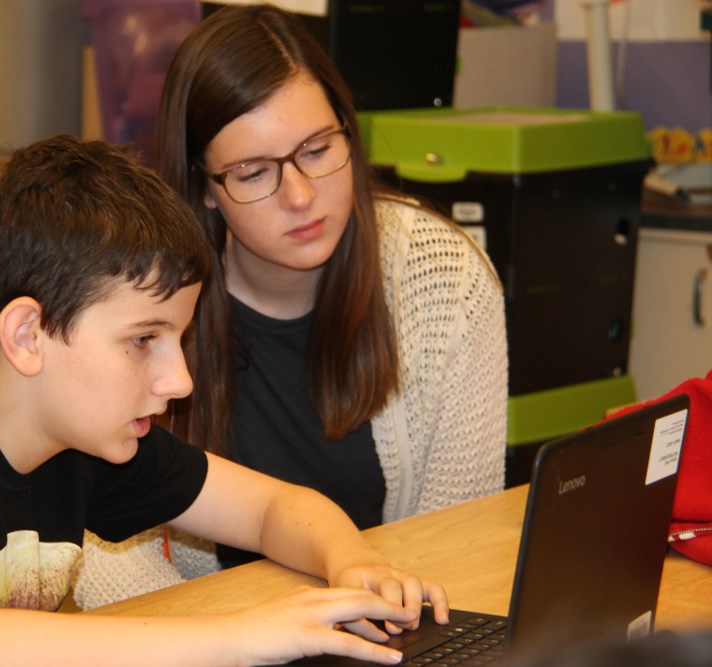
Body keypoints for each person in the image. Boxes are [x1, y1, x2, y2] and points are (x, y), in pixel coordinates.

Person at [0, 134, 449, 667]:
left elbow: (270, 508)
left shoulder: (82, 438)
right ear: (28, 333)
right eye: (144, 341)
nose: (179, 379)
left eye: (179, 340)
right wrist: (243, 634)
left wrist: (352, 562)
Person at [75, 3, 508, 608]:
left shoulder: (444, 278)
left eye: (316, 149)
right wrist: (228, 642)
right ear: (203, 186)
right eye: (254, 173)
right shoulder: (140, 307)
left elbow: (460, 536)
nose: (301, 196)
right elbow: (92, 535)